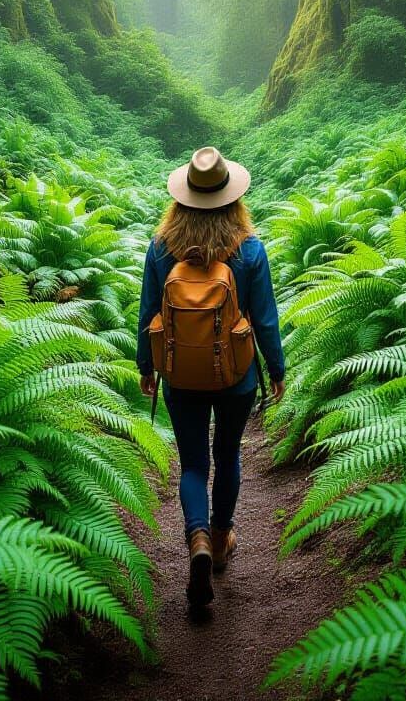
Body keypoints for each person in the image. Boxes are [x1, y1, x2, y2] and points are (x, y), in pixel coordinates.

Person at [136, 146, 286, 608]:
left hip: (181, 374)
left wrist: (147, 366)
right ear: (232, 197)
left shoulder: (162, 247)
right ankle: (221, 541)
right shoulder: (250, 249)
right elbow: (264, 319)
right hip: (236, 377)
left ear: (182, 198)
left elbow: (148, 313)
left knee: (194, 464)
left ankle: (197, 540)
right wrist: (276, 370)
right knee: (227, 457)